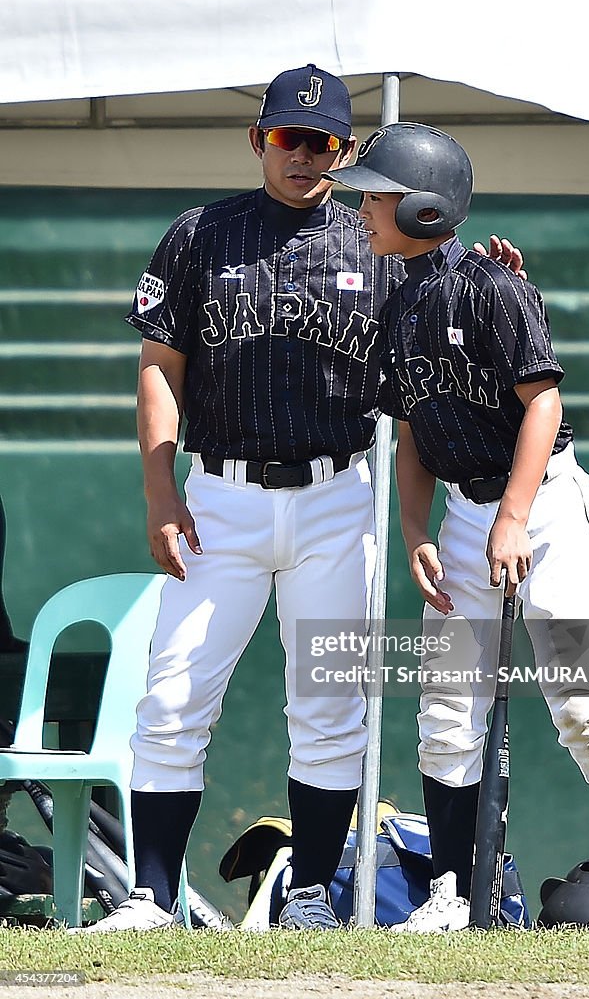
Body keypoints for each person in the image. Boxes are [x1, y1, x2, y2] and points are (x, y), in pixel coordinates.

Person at [74, 67, 525, 933]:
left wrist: (497, 271)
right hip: (220, 496)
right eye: (289, 137)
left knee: (329, 703)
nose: (305, 154)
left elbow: (456, 307)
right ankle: (150, 897)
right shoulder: (201, 234)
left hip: (335, 495)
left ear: (347, 151)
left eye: (323, 140)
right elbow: (160, 370)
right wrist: (160, 490)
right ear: (259, 141)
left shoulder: (375, 236)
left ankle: (313, 894)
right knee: (172, 695)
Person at [324, 122, 589, 936]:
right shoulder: (398, 300)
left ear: (426, 209)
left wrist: (516, 516)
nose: (363, 212)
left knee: (584, 709)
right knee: (447, 712)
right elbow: (413, 431)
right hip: (464, 512)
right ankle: (451, 895)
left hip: (546, 506)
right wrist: (418, 528)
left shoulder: (493, 285)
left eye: (377, 199)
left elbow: (544, 403)